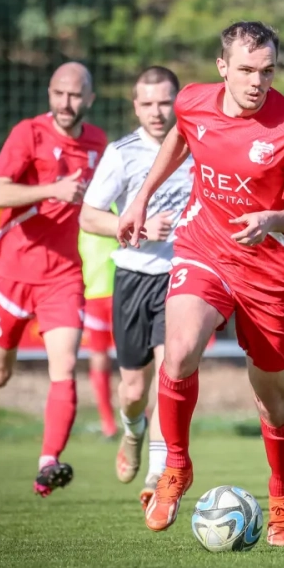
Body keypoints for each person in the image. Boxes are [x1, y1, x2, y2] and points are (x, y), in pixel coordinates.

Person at [117, 22, 284, 546]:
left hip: (269, 273)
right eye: (247, 70)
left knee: (274, 401)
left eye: (267, 71)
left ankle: (282, 496)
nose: (258, 82)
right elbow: (180, 138)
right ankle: (176, 466)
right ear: (222, 67)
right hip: (204, 248)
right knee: (180, 348)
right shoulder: (192, 101)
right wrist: (141, 197)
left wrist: (271, 219)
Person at [0, 62, 108, 498]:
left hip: (63, 277)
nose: (66, 102)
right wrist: (52, 190)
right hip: (12, 275)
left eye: (75, 95)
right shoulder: (29, 133)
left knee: (64, 368)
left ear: (90, 99)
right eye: (59, 93)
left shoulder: (98, 143)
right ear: (49, 94)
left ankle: (47, 465)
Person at [80, 66, 195, 508]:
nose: (157, 112)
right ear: (135, 106)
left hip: (181, 277)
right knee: (132, 392)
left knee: (172, 373)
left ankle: (157, 473)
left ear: (177, 102)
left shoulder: (197, 147)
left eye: (165, 102)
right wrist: (137, 228)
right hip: (132, 278)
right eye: (147, 103)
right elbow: (89, 216)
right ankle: (132, 432)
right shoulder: (122, 153)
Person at [79, 225, 119, 439]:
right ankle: (108, 422)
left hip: (120, 291)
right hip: (94, 294)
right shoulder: (81, 219)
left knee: (132, 357)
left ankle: (138, 413)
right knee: (99, 358)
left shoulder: (112, 211)